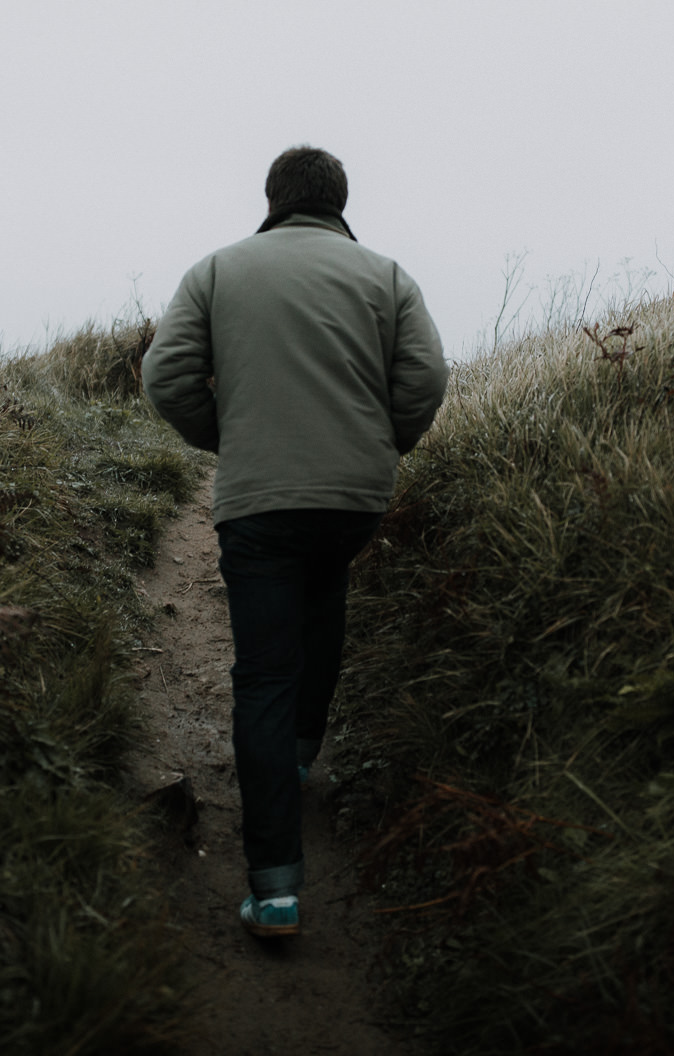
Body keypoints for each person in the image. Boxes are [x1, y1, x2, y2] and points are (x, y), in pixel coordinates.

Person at [141, 145, 448, 938]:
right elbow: (425, 381)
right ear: (340, 202)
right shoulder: (385, 276)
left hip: (259, 506)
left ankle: (275, 888)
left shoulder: (216, 271)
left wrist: (232, 439)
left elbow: (165, 376)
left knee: (263, 675)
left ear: (272, 199)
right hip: (353, 499)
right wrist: (382, 449)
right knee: (326, 596)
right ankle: (303, 753)